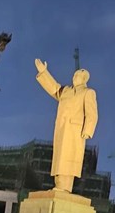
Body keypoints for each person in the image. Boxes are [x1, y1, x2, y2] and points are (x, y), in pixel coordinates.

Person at [34, 58, 98, 193]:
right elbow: (54, 88)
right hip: (62, 129)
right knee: (59, 159)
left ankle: (64, 187)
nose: (74, 78)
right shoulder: (66, 90)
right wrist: (44, 72)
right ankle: (59, 186)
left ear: (84, 79)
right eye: (74, 75)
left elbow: (92, 113)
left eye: (77, 76)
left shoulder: (88, 92)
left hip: (75, 131)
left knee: (68, 160)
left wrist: (88, 130)